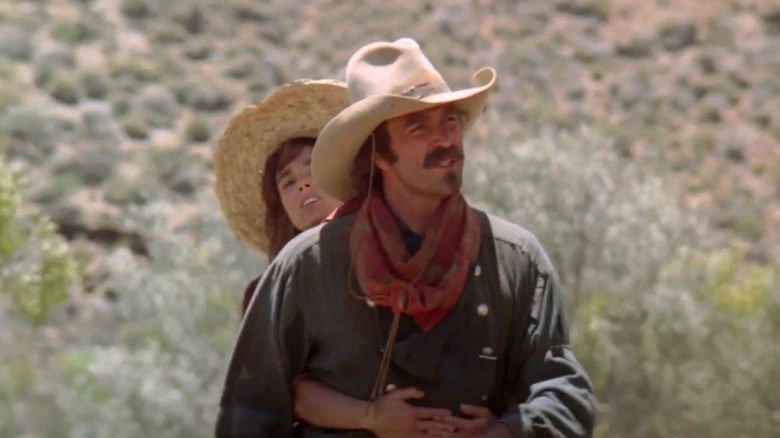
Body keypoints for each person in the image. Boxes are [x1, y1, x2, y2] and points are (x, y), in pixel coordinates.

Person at [215, 38, 597, 438]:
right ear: (379, 154)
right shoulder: (308, 266)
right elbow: (248, 411)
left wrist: (505, 432)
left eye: (450, 121)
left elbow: (564, 393)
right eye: (418, 127)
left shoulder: (517, 260)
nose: (445, 140)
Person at [214, 79, 346, 313]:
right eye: (288, 182)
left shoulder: (397, 258)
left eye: (312, 169)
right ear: (281, 207)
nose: (303, 185)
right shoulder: (268, 297)